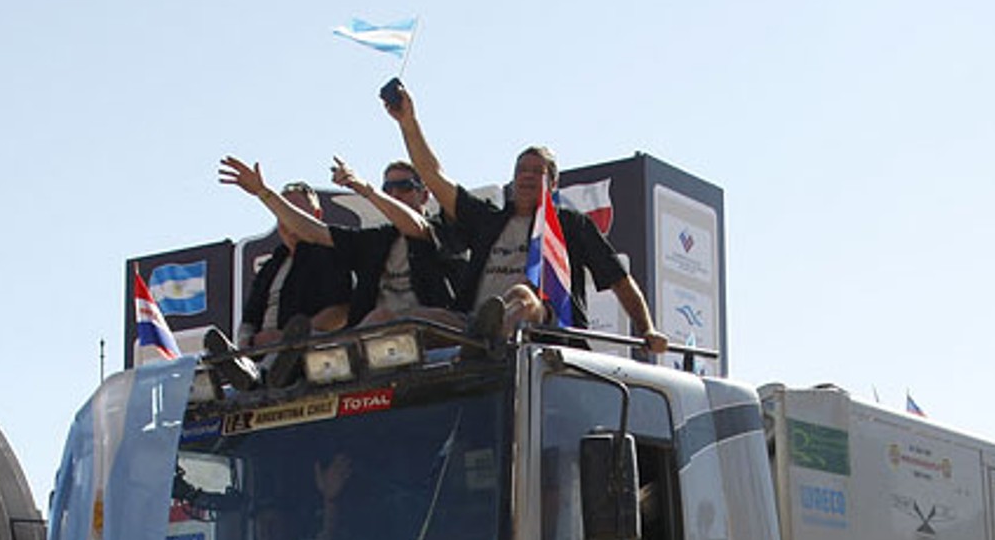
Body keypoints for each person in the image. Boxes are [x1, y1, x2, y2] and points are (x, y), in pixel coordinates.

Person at [382, 85, 669, 352]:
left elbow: (620, 280)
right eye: (521, 170)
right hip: (471, 325)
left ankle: (488, 347)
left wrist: (648, 329)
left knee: (520, 295)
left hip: (547, 325)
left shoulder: (571, 225)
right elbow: (433, 176)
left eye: (537, 171)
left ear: (553, 184)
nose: (527, 176)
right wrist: (407, 122)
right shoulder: (488, 220)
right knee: (412, 317)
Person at [219, 155, 459, 326]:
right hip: (383, 343)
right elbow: (314, 232)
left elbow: (415, 226)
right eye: (389, 188)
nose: (395, 194)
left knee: (380, 318)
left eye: (405, 187)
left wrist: (365, 189)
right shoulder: (375, 241)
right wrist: (263, 193)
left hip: (444, 333)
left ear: (425, 195)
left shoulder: (443, 230)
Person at [231, 177, 352, 350]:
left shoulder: (334, 254)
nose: (289, 222)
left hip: (310, 350)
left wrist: (289, 336)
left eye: (296, 214)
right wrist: (247, 343)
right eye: (283, 215)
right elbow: (249, 319)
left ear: (316, 215)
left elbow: (342, 311)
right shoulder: (270, 267)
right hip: (261, 355)